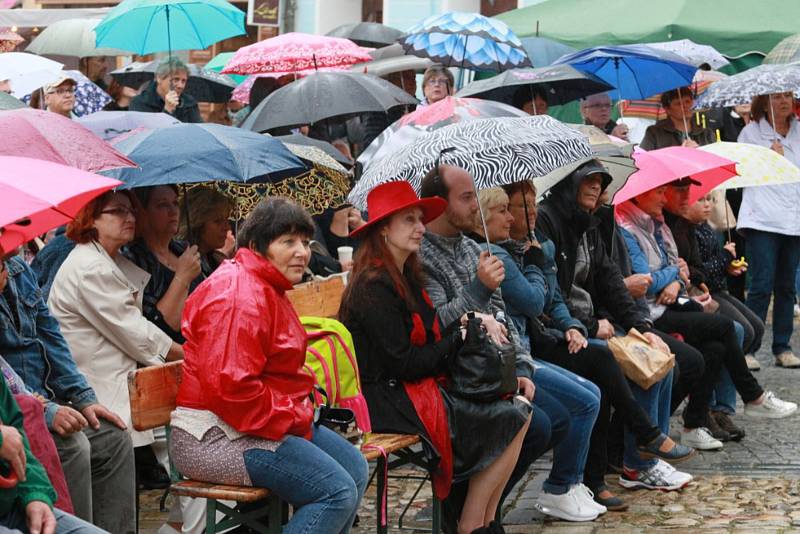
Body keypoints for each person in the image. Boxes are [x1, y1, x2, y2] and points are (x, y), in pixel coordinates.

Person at [339, 181, 530, 533]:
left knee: (517, 408)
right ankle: (472, 524)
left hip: (412, 385)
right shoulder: (372, 286)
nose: (420, 228)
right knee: (510, 416)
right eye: (409, 220)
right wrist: (459, 334)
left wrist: (466, 324)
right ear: (383, 230)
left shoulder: (407, 274)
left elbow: (433, 335)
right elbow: (405, 362)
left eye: (420, 219)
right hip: (384, 398)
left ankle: (484, 521)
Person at [418, 165, 604, 523]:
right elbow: (439, 325)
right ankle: (470, 513)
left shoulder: (473, 250)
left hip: (494, 367)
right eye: (467, 197)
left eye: (475, 196)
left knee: (556, 417)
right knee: (540, 423)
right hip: (457, 376)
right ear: (439, 203)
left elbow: (502, 315)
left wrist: (519, 367)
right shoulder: (425, 257)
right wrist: (479, 289)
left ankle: (486, 511)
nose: (474, 206)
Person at [171, 197, 368, 533]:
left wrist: (299, 411)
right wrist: (298, 415)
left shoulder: (266, 285)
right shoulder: (239, 296)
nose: (302, 252)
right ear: (257, 246)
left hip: (255, 422)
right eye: (287, 242)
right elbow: (234, 391)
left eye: (305, 242)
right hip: (213, 437)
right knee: (335, 491)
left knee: (355, 469)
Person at [495, 182, 693, 503]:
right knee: (597, 375)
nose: (597, 191)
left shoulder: (585, 226)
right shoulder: (527, 238)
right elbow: (535, 302)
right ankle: (600, 469)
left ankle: (632, 460)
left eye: (601, 186)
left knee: (660, 360)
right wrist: (581, 322)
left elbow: (564, 294)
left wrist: (626, 325)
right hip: (538, 342)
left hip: (566, 329)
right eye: (518, 208)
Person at [615, 185, 797, 450]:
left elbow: (681, 268)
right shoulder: (630, 229)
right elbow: (649, 280)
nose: (665, 199)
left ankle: (694, 424)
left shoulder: (659, 225)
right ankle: (751, 396)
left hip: (675, 303)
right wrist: (675, 275)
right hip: (652, 313)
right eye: (660, 193)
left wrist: (676, 277)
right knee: (726, 328)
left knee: (716, 346)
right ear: (639, 194)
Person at [0, 252, 134, 533]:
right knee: (75, 446)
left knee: (113, 438)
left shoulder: (18, 269)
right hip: (31, 409)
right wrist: (48, 410)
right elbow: (14, 396)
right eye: (119, 211)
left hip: (43, 402)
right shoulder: (86, 266)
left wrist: (84, 398)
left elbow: (51, 336)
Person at [48, 190, 184, 451]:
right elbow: (136, 331)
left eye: (131, 210)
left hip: (118, 389)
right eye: (118, 211)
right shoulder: (90, 267)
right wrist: (187, 356)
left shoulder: (108, 260)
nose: (129, 216)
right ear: (91, 219)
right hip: (99, 396)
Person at [737, 91, 800, 368]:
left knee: (787, 287)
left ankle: (782, 347)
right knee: (761, 284)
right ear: (764, 103)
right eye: (776, 97)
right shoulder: (750, 133)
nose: (783, 101)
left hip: (794, 217)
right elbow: (741, 172)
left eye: (787, 96)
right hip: (762, 217)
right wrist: (768, 158)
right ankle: (749, 347)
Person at [0, 375, 107, 534]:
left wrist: (35, 495)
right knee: (75, 446)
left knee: (115, 437)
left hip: (9, 507)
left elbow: (17, 436)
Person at [123, 186, 203, 343]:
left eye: (175, 203)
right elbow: (157, 330)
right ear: (142, 211)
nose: (173, 211)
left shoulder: (183, 249)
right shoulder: (134, 260)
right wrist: (182, 277)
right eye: (162, 204)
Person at [178, 186, 235, 275]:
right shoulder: (178, 258)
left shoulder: (215, 260)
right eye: (218, 221)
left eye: (226, 219)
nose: (227, 227)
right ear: (198, 223)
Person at [640, 87, 715, 149]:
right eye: (678, 103)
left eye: (687, 101)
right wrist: (680, 153)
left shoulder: (706, 134)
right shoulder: (654, 133)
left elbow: (716, 161)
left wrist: (699, 152)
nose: (685, 106)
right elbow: (643, 161)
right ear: (667, 109)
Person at [130, 58, 202, 123]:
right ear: (159, 78)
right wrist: (168, 110)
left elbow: (197, 131)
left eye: (184, 81)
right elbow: (145, 133)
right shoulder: (140, 102)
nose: (181, 86)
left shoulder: (189, 102)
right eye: (176, 79)